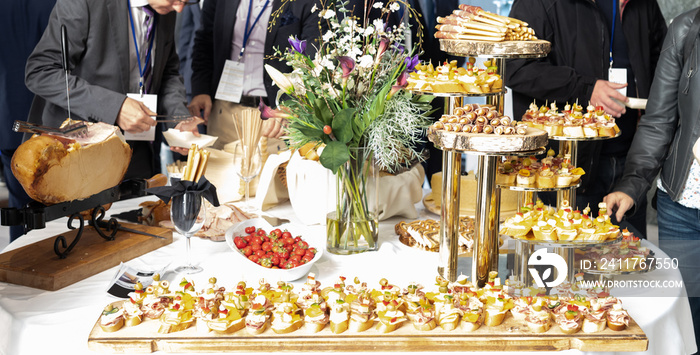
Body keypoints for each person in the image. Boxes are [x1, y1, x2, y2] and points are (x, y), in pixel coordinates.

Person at [505, 0, 667, 237]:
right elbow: (516, 68)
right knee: (566, 267)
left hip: (631, 166)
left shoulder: (643, 5)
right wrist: (584, 88)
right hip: (565, 168)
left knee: (627, 265)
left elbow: (662, 67)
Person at [604, 7, 700, 351]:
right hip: (682, 208)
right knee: (685, 318)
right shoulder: (686, 28)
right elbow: (659, 120)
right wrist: (632, 184)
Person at [25, 0, 203, 181]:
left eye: (187, 1)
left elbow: (167, 72)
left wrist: (178, 119)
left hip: (136, 154)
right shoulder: (86, 3)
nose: (179, 8)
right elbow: (40, 72)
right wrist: (115, 108)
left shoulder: (166, 9)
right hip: (76, 157)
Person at [188, 0, 322, 145]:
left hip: (275, 117)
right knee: (219, 165)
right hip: (225, 112)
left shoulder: (309, 2)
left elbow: (313, 59)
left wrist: (290, 105)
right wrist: (201, 90)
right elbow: (205, 41)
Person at [1, 0, 56, 242]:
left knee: (19, 209)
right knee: (60, 209)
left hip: (8, 118)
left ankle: (19, 269)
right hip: (52, 120)